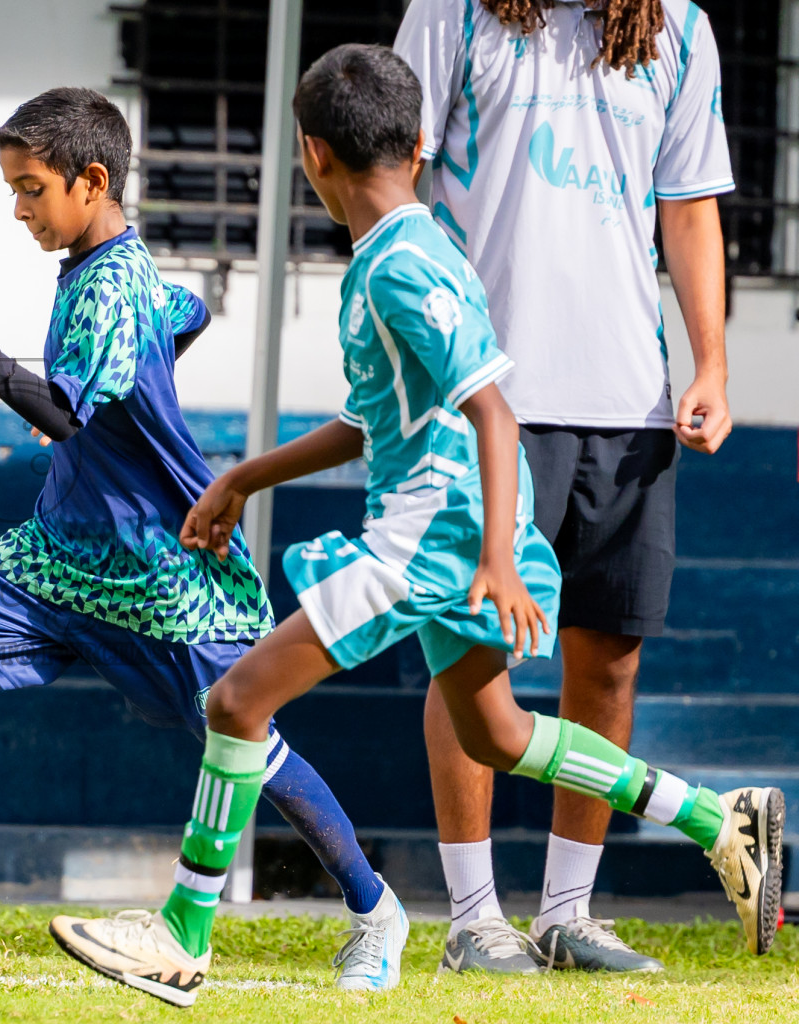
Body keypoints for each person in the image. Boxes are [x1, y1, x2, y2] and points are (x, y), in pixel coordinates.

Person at [48, 44, 783, 1009]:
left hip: (426, 537)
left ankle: (183, 934)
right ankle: (716, 819)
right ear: (423, 141)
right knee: (500, 734)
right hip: (452, 530)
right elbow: (376, 418)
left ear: (310, 155)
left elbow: (494, 409)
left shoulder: (396, 267)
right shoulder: (418, 244)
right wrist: (249, 477)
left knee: (235, 702)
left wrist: (495, 559)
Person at [0, 86, 409, 990]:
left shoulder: (114, 284)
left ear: (92, 181)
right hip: (53, 558)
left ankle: (376, 912)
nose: (18, 209)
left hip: (154, 571)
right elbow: (183, 319)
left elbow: (63, 411)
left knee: (243, 734)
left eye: (31, 189)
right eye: (11, 189)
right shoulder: (119, 281)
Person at [394, 0, 741, 973]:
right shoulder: (453, 11)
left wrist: (709, 362)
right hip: (481, 394)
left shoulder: (677, 24)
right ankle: (472, 917)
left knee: (610, 661)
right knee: (474, 660)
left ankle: (566, 912)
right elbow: (395, 179)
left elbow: (689, 204)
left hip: (629, 398)